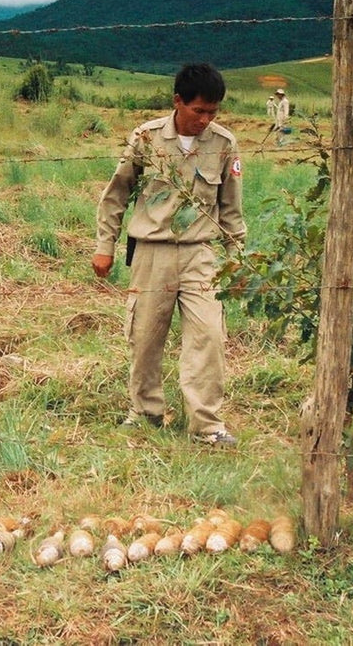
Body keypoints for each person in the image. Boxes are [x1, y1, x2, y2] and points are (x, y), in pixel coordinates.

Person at [92, 62, 246, 446]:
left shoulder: (224, 144)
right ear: (178, 102)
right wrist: (104, 246)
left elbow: (231, 209)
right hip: (152, 252)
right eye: (198, 111)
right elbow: (117, 194)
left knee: (208, 337)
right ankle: (145, 413)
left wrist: (237, 258)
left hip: (200, 254)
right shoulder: (146, 139)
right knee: (144, 336)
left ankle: (206, 425)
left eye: (213, 112)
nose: (205, 120)